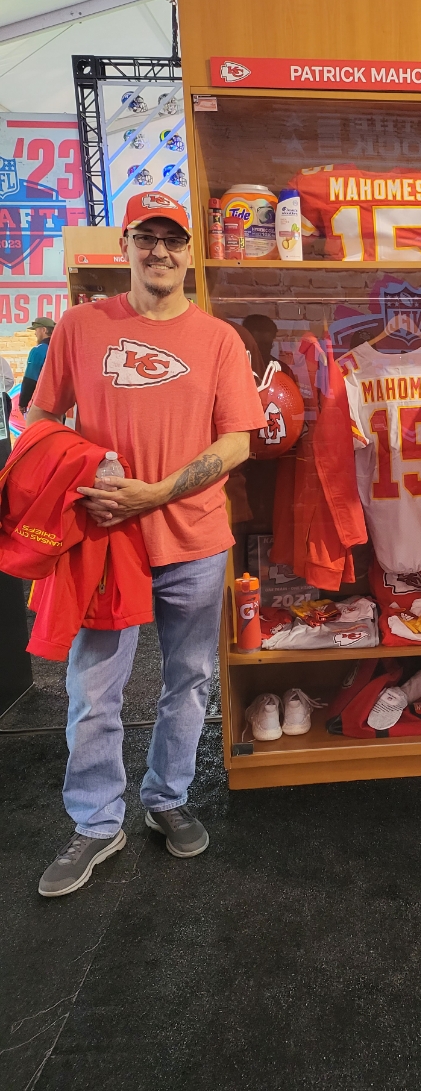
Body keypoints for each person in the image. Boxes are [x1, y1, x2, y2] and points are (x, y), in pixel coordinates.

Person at [29, 191, 265, 897]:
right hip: (105, 544)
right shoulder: (80, 325)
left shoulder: (220, 339)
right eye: (147, 236)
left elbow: (237, 440)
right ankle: (97, 823)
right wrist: (73, 475)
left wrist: (159, 491)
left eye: (172, 238)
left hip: (193, 539)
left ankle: (167, 797)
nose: (159, 250)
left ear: (189, 251)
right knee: (94, 689)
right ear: (127, 243)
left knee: (188, 680)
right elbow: (42, 415)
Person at [18, 317, 54, 414]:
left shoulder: (39, 350)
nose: (35, 333)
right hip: (61, 404)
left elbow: (30, 379)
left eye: (36, 330)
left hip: (42, 402)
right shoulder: (60, 348)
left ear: (44, 330)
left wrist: (23, 402)